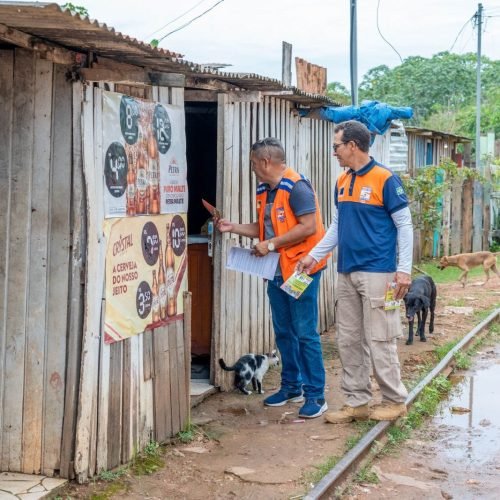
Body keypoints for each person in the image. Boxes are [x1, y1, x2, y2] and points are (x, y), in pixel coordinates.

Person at [297, 120, 413, 422]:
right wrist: (313, 255)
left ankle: (394, 399)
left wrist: (404, 270)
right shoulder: (342, 181)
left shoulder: (385, 179)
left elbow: (404, 225)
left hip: (379, 271)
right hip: (346, 270)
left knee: (380, 337)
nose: (334, 152)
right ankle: (357, 401)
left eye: (336, 146)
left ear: (352, 145)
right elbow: (337, 226)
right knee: (348, 339)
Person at [216, 137, 330, 418]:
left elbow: (308, 227)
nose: (253, 169)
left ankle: (316, 394)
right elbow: (266, 229)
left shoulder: (297, 187)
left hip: (302, 270)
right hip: (276, 272)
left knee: (305, 333)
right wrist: (235, 227)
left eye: (254, 164)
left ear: (266, 162)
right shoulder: (265, 190)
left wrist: (271, 245)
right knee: (283, 332)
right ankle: (292, 387)